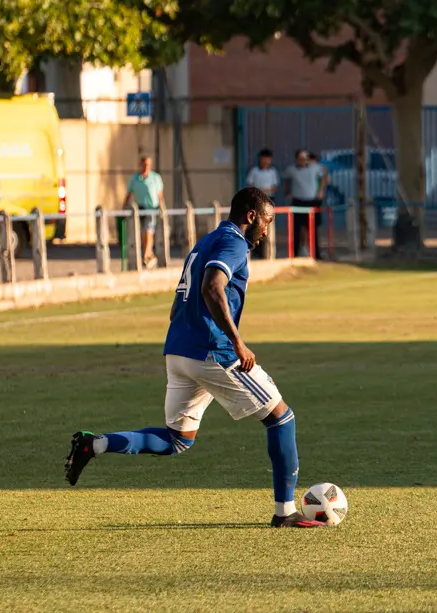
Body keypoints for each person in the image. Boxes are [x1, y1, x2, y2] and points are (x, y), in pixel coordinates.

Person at [64, 187, 325, 529]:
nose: (266, 230)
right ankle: (285, 512)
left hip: (178, 350)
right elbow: (211, 287)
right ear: (251, 216)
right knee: (282, 419)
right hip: (212, 351)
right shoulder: (233, 243)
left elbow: (177, 305)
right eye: (267, 221)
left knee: (177, 439)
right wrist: (237, 342)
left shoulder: (205, 242)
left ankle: (94, 445)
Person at [123, 156, 166, 269]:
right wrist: (124, 207)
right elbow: (129, 193)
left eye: (148, 164)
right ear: (140, 165)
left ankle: (146, 255)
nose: (146, 167)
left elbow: (160, 195)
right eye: (144, 164)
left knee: (149, 230)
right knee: (142, 233)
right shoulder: (135, 178)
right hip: (140, 208)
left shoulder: (155, 178)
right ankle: (150, 255)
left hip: (152, 208)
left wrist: (162, 208)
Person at [283, 149, 326, 258]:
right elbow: (285, 180)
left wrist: (321, 191)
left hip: (312, 201)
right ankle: (295, 254)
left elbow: (323, 177)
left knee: (313, 229)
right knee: (297, 228)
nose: (303, 161)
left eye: (305, 158)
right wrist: (287, 192)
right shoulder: (291, 170)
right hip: (298, 201)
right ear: (297, 159)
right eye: (301, 159)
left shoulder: (315, 168)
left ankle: (316, 254)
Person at [245, 148, 280, 259]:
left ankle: (268, 253)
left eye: (267, 159)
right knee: (256, 226)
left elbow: (275, 187)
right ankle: (255, 251)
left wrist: (268, 190)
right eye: (263, 158)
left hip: (268, 200)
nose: (265, 161)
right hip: (257, 200)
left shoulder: (272, 172)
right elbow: (250, 185)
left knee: (267, 226)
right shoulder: (254, 171)